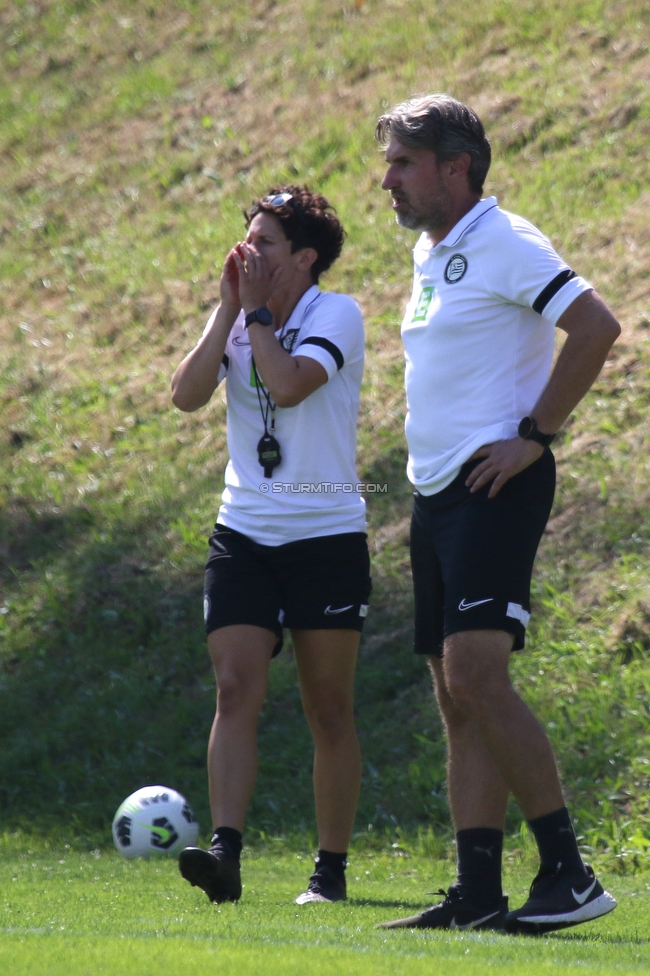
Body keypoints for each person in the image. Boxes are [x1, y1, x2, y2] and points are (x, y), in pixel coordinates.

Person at [374, 94, 620, 934]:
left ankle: (569, 873)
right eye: (389, 164)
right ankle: (477, 887)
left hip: (495, 485)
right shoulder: (427, 249)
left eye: (404, 163)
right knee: (454, 693)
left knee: (478, 675)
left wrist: (536, 436)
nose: (389, 181)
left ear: (456, 166)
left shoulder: (507, 241)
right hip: (436, 490)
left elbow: (594, 325)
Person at [171, 185, 371, 906]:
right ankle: (225, 852)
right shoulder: (237, 316)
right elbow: (187, 394)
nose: (247, 253)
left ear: (305, 258)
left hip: (325, 537)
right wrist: (229, 308)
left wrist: (254, 316)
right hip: (243, 534)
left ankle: (330, 870)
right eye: (246, 239)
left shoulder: (336, 313)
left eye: (265, 243)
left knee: (327, 709)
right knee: (233, 687)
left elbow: (287, 386)